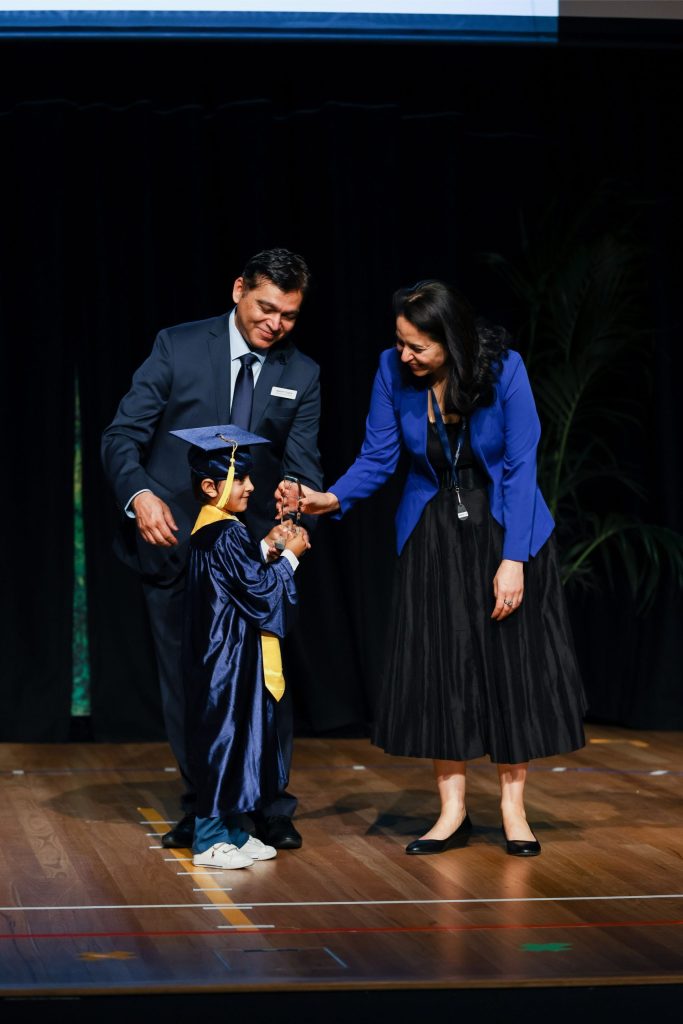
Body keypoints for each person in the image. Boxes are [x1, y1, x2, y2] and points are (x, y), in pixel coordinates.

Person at [278, 280, 586, 858]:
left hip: (504, 523)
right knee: (444, 667)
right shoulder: (390, 371)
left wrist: (513, 560)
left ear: (452, 340)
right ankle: (451, 812)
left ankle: (514, 811)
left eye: (417, 346)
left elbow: (521, 467)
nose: (405, 356)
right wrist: (331, 498)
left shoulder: (506, 369)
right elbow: (379, 456)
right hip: (433, 528)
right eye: (399, 342)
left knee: (509, 666)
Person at [101, 248, 322, 851]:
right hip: (176, 543)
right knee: (189, 684)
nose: (275, 324)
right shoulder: (177, 346)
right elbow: (121, 436)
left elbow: (301, 463)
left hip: (251, 555)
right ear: (238, 289)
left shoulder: (302, 373)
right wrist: (141, 495)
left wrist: (294, 501)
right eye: (266, 307)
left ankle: (269, 805)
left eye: (289, 315)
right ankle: (206, 805)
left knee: (267, 679)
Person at [172, 424, 309, 869]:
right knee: (224, 743)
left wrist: (267, 548)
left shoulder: (212, 528)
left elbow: (238, 579)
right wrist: (291, 556)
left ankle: (232, 830)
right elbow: (260, 594)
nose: (250, 486)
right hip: (225, 660)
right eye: (240, 479)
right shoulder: (226, 532)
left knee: (238, 741)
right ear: (211, 487)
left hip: (226, 655)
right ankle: (210, 838)